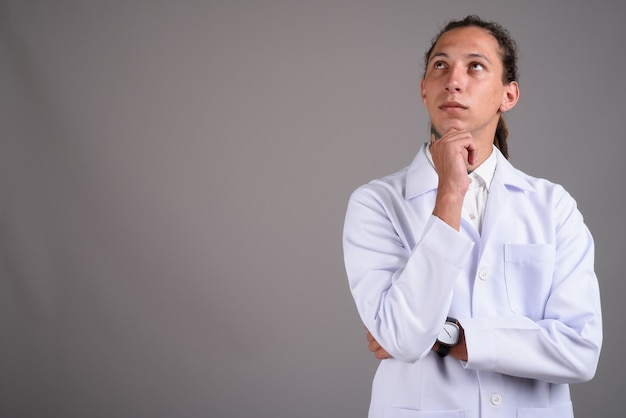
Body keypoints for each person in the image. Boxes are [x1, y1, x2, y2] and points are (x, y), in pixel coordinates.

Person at [342, 15, 602, 418]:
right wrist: (449, 193)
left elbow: (580, 351)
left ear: (508, 95)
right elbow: (405, 338)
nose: (454, 80)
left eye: (475, 66)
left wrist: (448, 337)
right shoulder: (375, 203)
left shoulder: (553, 206)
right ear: (424, 90)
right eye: (440, 66)